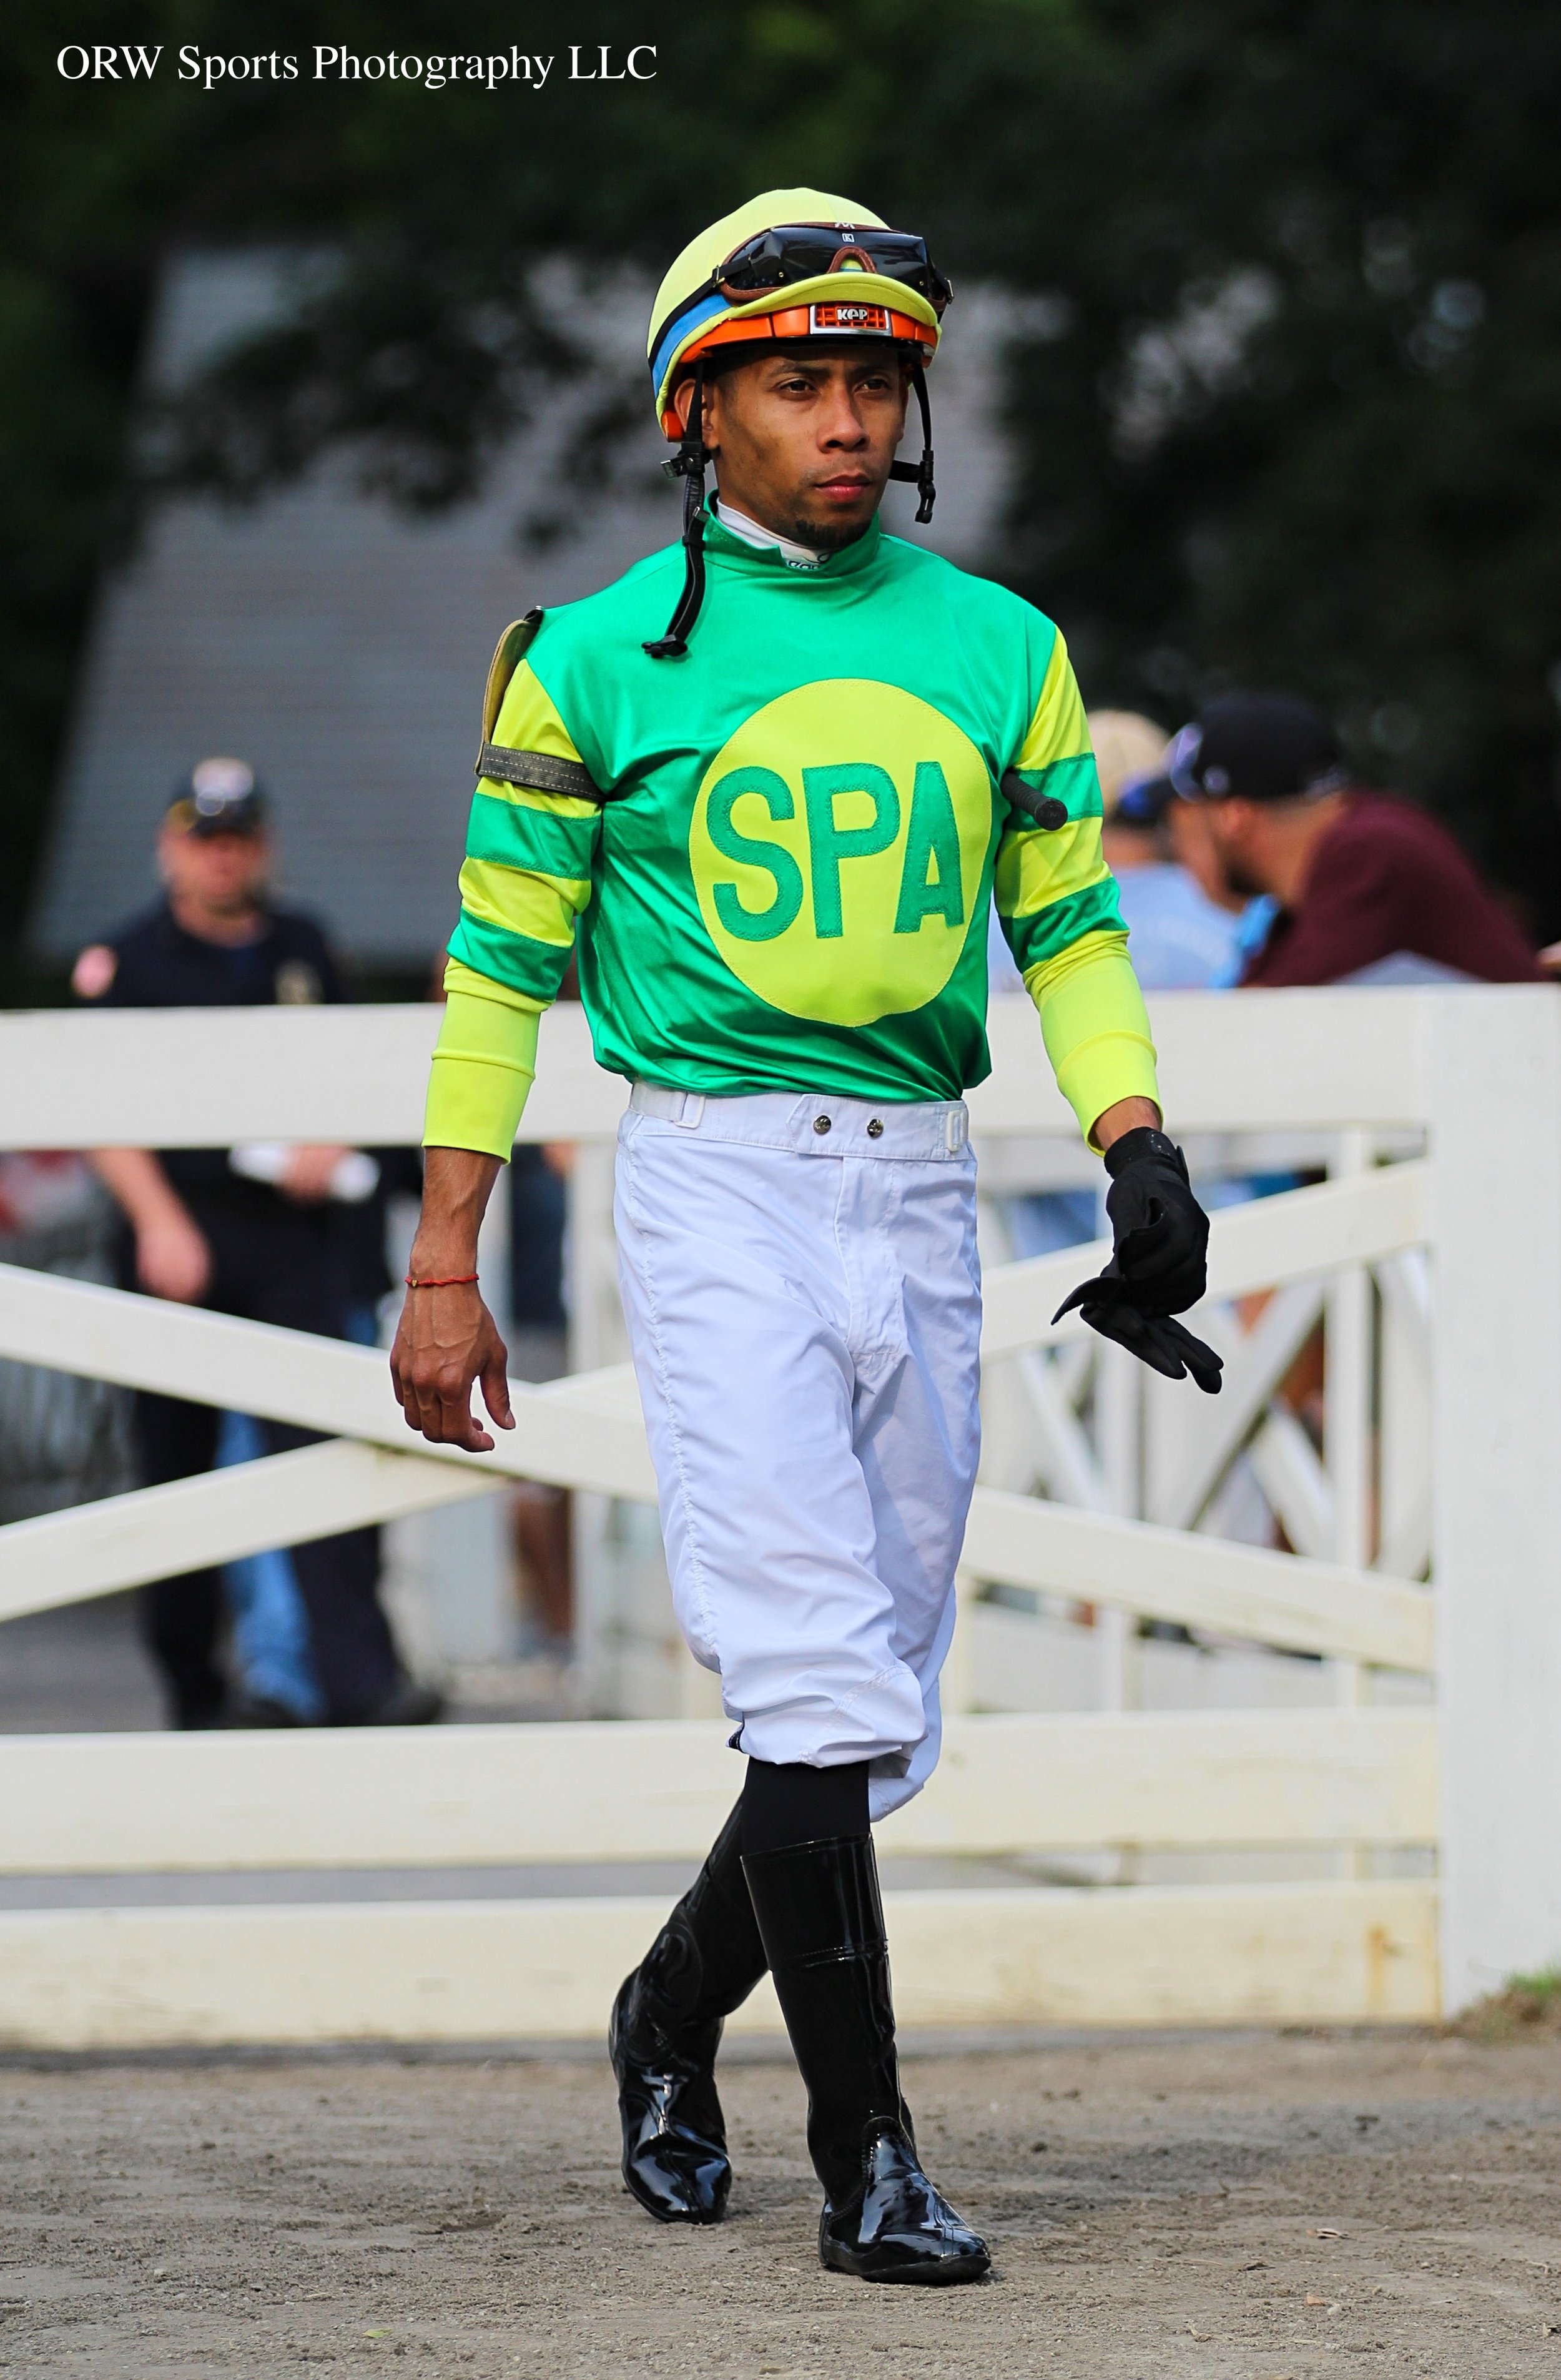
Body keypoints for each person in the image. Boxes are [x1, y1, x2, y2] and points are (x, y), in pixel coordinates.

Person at [389, 190, 1218, 2284]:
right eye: (795, 385)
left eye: (871, 383)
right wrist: (444, 1258)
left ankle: (667, 2008)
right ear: (701, 412)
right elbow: (496, 980)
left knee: (873, 1714)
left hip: (919, 1182)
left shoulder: (1005, 647)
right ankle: (871, 2165)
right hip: (716, 1182)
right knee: (816, 1674)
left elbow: (1072, 931)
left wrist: (1135, 1141)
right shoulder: (587, 661)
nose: (845, 421)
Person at [76, 757, 439, 1730]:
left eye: (237, 839)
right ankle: (197, 1690)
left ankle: (359, 1681)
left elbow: (357, 1071)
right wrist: (157, 1217)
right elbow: (95, 1107)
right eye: (206, 840)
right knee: (178, 1468)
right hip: (181, 1238)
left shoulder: (305, 945)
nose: (222, 858)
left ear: (264, 846)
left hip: (293, 1240)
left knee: (327, 1454)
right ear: (171, 847)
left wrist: (334, 1138)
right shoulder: (129, 962)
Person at [1168, 693, 1544, 986]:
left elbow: (1264, 1018)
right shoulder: (1325, 874)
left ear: (1233, 817)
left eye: (1189, 821)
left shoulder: (1368, 852)